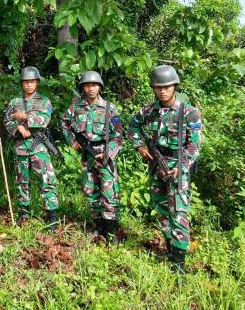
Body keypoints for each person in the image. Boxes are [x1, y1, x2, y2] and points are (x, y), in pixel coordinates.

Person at [128, 65, 202, 273]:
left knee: (178, 211)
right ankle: (170, 245)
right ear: (153, 88)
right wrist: (140, 146)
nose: (163, 91)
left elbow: (194, 145)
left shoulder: (189, 113)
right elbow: (132, 126)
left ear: (175, 87)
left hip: (178, 167)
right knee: (160, 207)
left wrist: (182, 165)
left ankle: (179, 260)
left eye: (167, 87)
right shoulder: (149, 111)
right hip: (156, 165)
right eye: (158, 87)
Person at [60, 71, 123, 243]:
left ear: (100, 87)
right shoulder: (77, 108)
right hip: (87, 156)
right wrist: (72, 139)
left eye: (94, 85)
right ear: (83, 88)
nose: (91, 89)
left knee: (109, 193)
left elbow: (118, 136)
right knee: (90, 191)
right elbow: (64, 122)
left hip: (104, 156)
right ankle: (99, 227)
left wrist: (107, 154)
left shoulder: (109, 108)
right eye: (87, 85)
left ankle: (111, 230)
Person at [3, 66, 59, 230]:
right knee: (22, 181)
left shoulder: (44, 101)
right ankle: (23, 212)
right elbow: (7, 120)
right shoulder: (14, 102)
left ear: (37, 83)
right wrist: (17, 128)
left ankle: (52, 215)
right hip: (20, 146)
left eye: (32, 82)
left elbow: (44, 120)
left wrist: (25, 117)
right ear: (22, 83)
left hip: (38, 146)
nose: (29, 85)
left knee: (46, 179)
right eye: (26, 82)